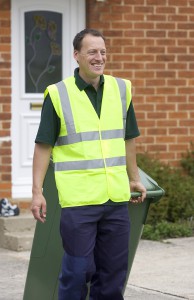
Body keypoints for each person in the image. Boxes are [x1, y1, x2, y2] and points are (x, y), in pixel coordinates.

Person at [31, 28, 146, 300]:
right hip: (79, 203)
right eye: (92, 51)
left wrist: (134, 177)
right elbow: (43, 146)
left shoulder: (121, 89)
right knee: (78, 272)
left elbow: (128, 139)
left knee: (113, 273)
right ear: (77, 56)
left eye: (103, 51)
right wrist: (37, 192)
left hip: (115, 199)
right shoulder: (58, 95)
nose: (99, 57)